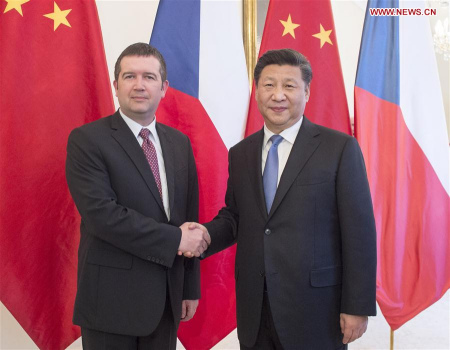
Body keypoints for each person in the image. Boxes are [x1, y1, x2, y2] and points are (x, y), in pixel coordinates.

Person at [187, 49, 376, 349]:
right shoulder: (241, 153)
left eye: (289, 86)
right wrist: (206, 235)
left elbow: (360, 232)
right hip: (255, 308)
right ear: (257, 90)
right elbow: (236, 217)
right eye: (269, 85)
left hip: (317, 309)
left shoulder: (339, 149)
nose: (278, 95)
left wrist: (357, 305)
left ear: (307, 92)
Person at [66, 43, 210, 350]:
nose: (139, 85)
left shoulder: (179, 143)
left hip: (166, 300)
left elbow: (189, 218)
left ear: (164, 87)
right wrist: (174, 240)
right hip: (110, 303)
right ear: (116, 86)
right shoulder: (87, 140)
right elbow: (103, 216)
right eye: (129, 76)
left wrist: (189, 286)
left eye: (149, 77)